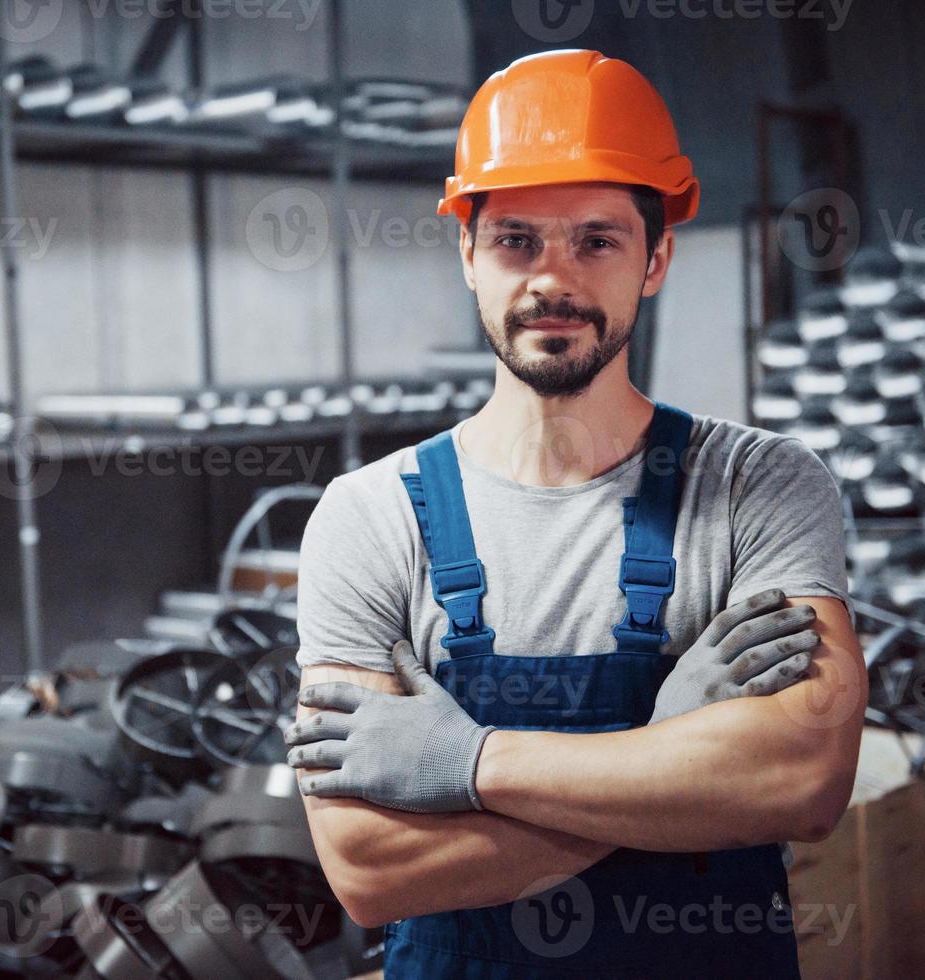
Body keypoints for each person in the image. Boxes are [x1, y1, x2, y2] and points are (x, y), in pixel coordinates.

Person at [284, 49, 866, 978]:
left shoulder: (760, 486)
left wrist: (463, 764)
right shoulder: (368, 519)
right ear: (467, 253)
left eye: (596, 240)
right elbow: (369, 868)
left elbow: (800, 781)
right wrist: (666, 765)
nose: (551, 279)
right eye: (516, 239)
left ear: (655, 257)